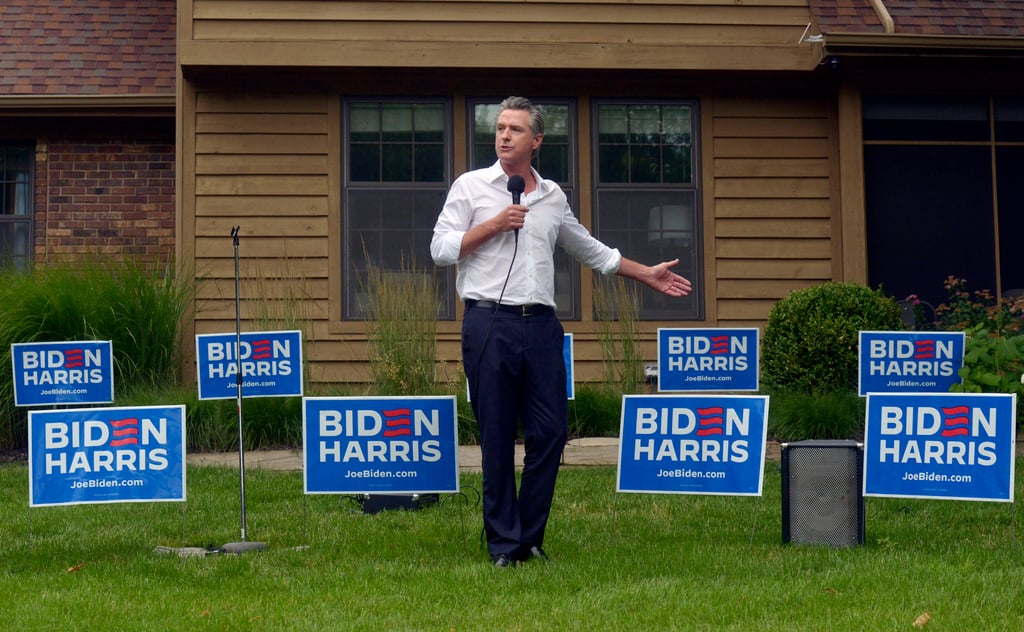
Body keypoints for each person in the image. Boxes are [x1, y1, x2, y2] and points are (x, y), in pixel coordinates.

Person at [430, 96, 692, 568]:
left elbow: (590, 250)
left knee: (550, 434)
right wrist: (493, 224)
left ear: (537, 141)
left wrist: (645, 272)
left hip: (542, 327)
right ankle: (504, 546)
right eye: (500, 127)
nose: (504, 135)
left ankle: (529, 537)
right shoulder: (471, 187)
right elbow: (440, 249)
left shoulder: (552, 196)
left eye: (515, 129)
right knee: (495, 437)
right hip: (488, 321)